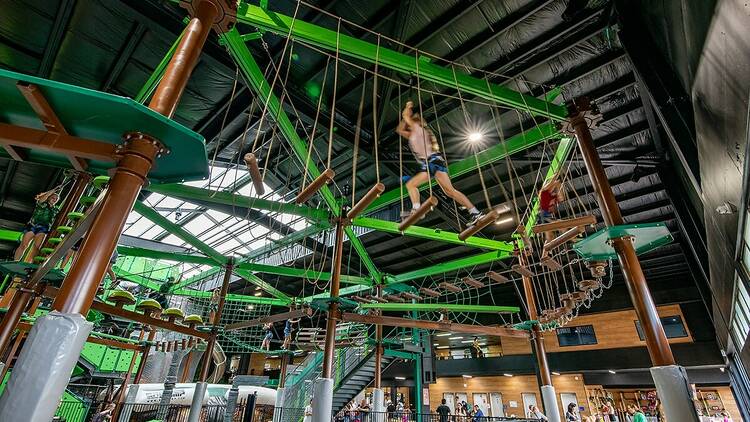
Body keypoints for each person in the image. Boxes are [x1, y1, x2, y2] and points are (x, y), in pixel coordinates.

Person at [396, 101, 484, 226]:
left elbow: (405, 116)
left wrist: (408, 107)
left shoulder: (419, 129)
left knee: (416, 185)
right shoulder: (413, 134)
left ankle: (417, 209)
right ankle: (475, 212)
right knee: (446, 191)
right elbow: (399, 130)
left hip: (432, 161)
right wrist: (406, 118)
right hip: (432, 162)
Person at [14, 189, 60, 261]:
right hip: (33, 225)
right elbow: (43, 197)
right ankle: (16, 261)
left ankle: (29, 263)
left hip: (43, 228)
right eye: (53, 197)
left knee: (36, 247)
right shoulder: (42, 203)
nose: (55, 199)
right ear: (49, 197)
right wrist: (54, 190)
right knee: (24, 245)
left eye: (56, 199)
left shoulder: (56, 210)